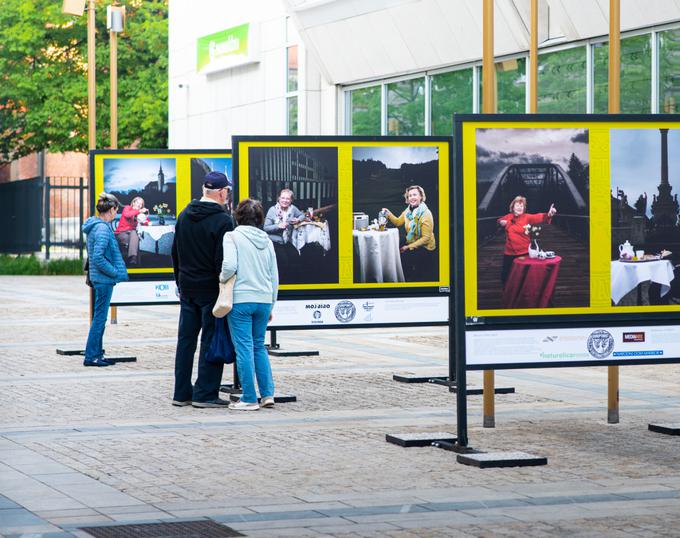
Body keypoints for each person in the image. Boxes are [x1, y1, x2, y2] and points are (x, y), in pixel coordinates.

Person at [171, 171, 234, 408]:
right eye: (227, 190)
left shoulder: (184, 215)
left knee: (186, 340)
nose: (228, 194)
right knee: (210, 338)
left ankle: (181, 393)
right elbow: (223, 260)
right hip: (211, 288)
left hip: (187, 286)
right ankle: (205, 393)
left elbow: (175, 252)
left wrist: (179, 281)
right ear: (220, 192)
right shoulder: (223, 220)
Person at [220, 198, 279, 411]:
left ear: (238, 216)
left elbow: (229, 266)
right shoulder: (267, 240)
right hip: (263, 300)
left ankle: (249, 397)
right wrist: (271, 303)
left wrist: (222, 279)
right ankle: (268, 394)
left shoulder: (232, 237)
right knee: (258, 346)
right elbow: (274, 276)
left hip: (241, 299)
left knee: (243, 348)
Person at [82, 192, 129, 367]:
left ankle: (96, 354)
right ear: (111, 209)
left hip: (100, 278)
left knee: (99, 317)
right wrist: (115, 272)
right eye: (116, 209)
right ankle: (92, 356)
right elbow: (98, 257)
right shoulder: (102, 228)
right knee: (100, 319)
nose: (117, 213)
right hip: (103, 279)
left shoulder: (97, 226)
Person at [498, 195, 557, 287]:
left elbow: (539, 217)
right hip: (509, 252)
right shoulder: (508, 216)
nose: (519, 207)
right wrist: (504, 222)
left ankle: (524, 296)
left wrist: (549, 214)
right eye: (517, 205)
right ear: (512, 207)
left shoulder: (527, 217)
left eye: (522, 206)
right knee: (505, 276)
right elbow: (500, 221)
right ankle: (508, 294)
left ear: (524, 208)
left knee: (525, 277)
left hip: (524, 252)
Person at [382, 185, 436, 281]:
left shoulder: (426, 213)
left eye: (415, 195)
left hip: (425, 247)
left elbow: (426, 238)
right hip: (411, 240)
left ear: (421, 197)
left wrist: (408, 247)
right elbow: (398, 222)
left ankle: (408, 279)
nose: (412, 197)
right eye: (410, 196)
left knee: (404, 257)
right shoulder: (408, 210)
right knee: (393, 248)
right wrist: (388, 213)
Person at [264, 188, 303, 281]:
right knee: (283, 261)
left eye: (287, 199)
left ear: (291, 200)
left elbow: (302, 215)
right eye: (283, 198)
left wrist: (298, 220)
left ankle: (292, 282)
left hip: (285, 241)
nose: (285, 200)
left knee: (295, 255)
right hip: (274, 242)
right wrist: (278, 226)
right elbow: (265, 228)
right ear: (279, 199)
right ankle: (281, 283)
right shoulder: (272, 210)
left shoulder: (293, 209)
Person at [114, 196, 149, 265]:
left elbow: (145, 221)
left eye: (141, 204)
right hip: (121, 233)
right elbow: (127, 215)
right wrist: (139, 211)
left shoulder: (139, 213)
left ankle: (133, 258)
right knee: (135, 237)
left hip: (131, 235)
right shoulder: (127, 208)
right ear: (133, 203)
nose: (139, 205)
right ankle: (133, 257)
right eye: (137, 202)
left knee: (134, 233)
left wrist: (145, 220)